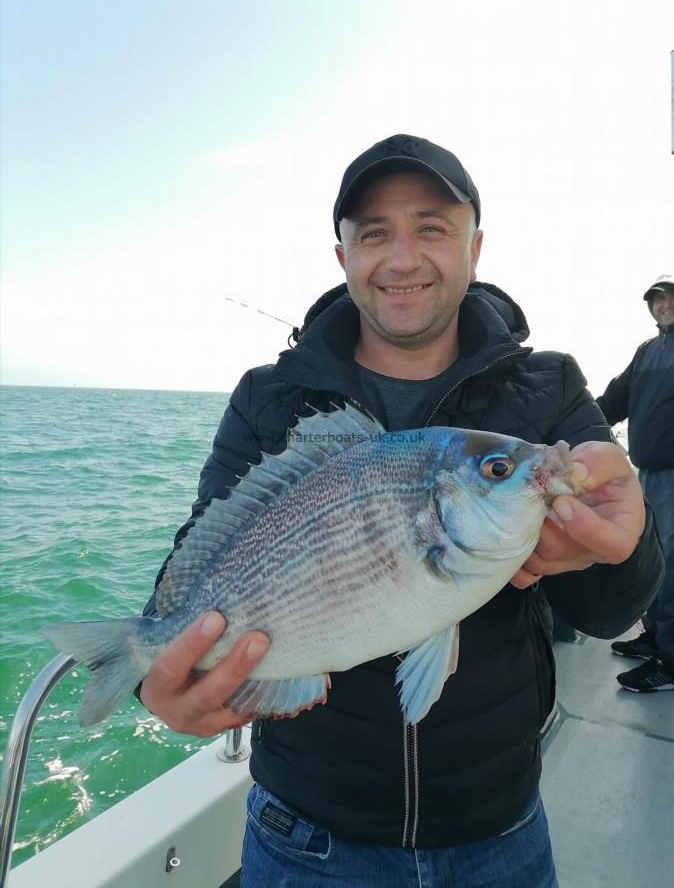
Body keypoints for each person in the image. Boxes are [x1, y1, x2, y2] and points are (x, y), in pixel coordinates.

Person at [139, 135, 663, 887]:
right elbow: (196, 561)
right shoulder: (270, 398)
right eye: (374, 233)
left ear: (475, 249)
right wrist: (153, 673)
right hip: (305, 840)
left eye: (432, 227)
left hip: (502, 834)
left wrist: (630, 543)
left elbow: (612, 612)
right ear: (343, 256)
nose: (403, 258)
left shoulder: (546, 392)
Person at [596, 275, 674, 692]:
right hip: (647, 474)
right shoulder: (647, 351)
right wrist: (574, 425)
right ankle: (656, 638)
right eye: (657, 300)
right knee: (650, 558)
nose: (664, 306)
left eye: (670, 298)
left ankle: (672, 662)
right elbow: (615, 399)